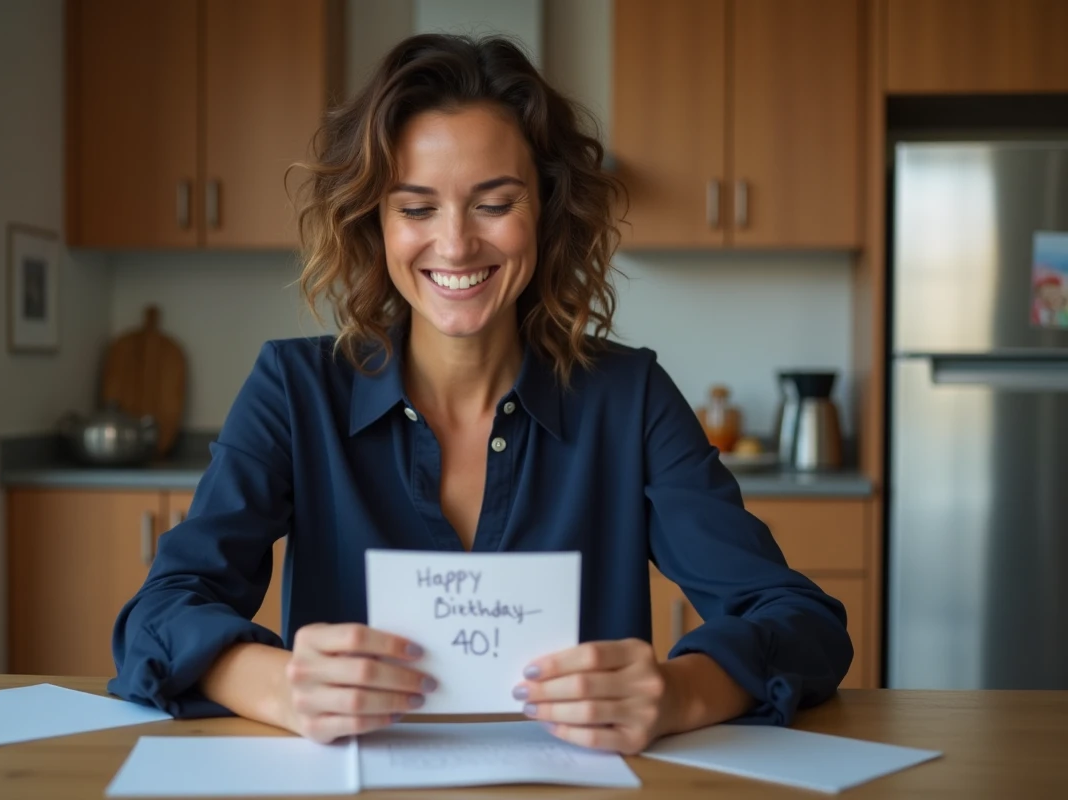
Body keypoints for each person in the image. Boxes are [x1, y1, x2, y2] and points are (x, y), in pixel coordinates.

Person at [109, 33, 852, 755]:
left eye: (494, 203)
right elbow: (159, 615)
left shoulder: (631, 400)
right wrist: (279, 685)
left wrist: (682, 692)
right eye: (417, 207)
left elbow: (803, 623)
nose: (457, 244)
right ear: (376, 221)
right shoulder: (294, 390)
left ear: (548, 212)